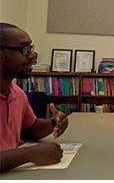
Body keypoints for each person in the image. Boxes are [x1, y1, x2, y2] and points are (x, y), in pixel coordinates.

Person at [0, 22, 69, 173]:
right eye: (24, 49)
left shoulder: (17, 93)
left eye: (31, 48)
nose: (32, 55)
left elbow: (31, 128)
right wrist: (30, 154)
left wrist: (54, 122)